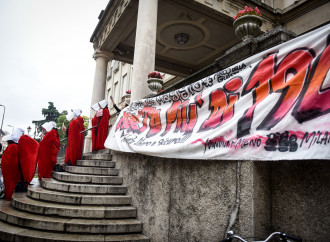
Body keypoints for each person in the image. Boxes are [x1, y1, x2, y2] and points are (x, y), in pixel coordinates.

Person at [0, 129, 23, 200]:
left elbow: (7, 159)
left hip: (9, 169)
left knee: (8, 184)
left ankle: (8, 196)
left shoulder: (11, 147)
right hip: (13, 168)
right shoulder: (16, 146)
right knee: (10, 183)